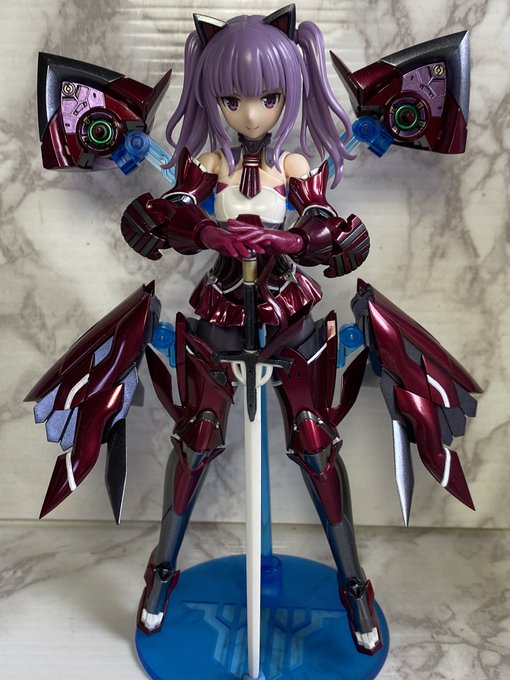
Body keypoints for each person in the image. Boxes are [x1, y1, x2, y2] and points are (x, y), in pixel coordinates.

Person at [121, 5, 380, 654]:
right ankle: (161, 576)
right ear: (214, 97)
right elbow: (163, 217)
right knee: (197, 439)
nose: (252, 115)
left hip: (288, 315)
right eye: (233, 100)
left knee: (316, 442)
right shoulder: (208, 163)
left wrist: (292, 238)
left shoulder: (295, 165)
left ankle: (355, 588)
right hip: (221, 315)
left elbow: (331, 228)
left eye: (268, 98)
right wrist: (207, 232)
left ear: (288, 92)